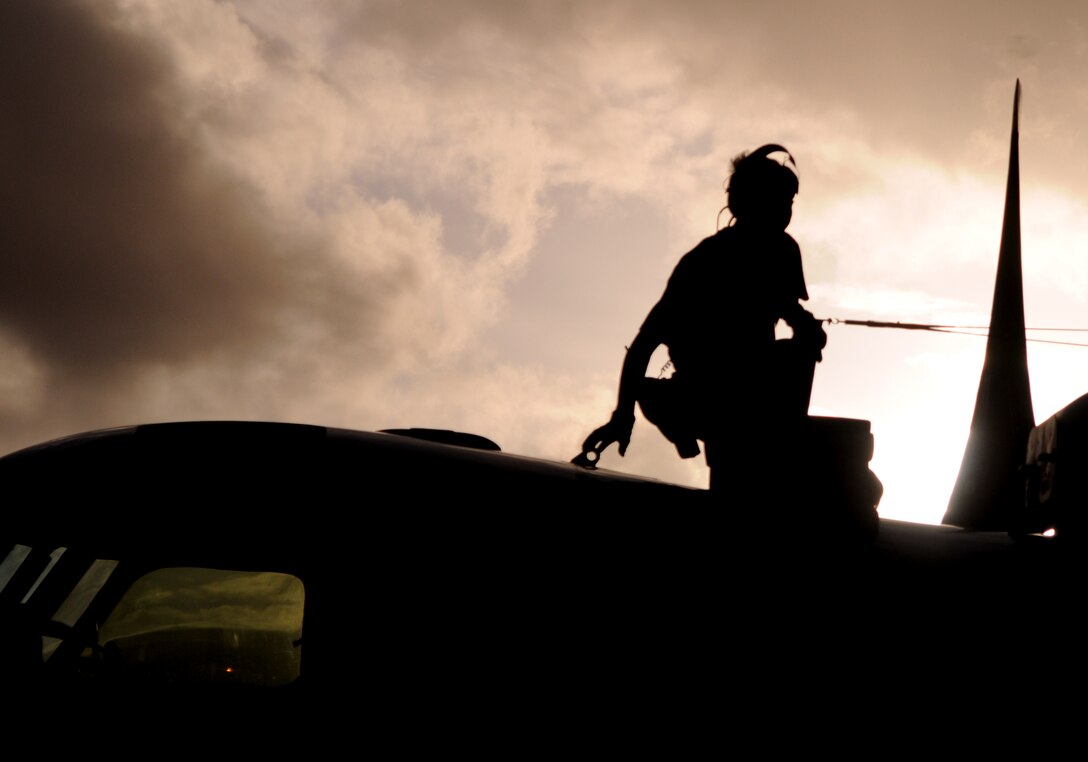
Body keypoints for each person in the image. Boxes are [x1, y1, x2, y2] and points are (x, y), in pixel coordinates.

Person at [579, 144, 826, 493]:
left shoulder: (784, 250)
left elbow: (789, 309)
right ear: (745, 202)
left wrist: (808, 329)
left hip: (759, 397)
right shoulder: (703, 262)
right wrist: (622, 417)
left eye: (788, 202)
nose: (784, 211)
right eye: (775, 200)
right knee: (736, 474)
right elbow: (644, 344)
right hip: (707, 396)